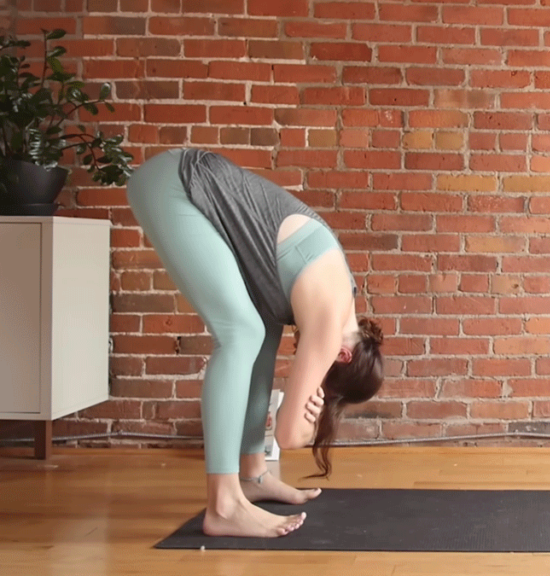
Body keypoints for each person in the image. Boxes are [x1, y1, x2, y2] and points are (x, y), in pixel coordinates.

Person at [125, 148, 384, 538]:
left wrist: (307, 411)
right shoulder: (330, 323)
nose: (315, 380)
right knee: (240, 333)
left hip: (184, 181)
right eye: (328, 388)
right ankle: (224, 505)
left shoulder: (329, 296)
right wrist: (309, 417)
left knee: (260, 336)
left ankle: (252, 475)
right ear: (343, 355)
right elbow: (287, 434)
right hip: (176, 183)